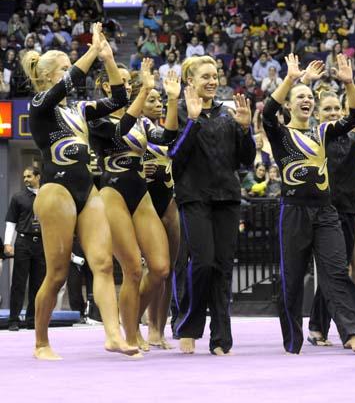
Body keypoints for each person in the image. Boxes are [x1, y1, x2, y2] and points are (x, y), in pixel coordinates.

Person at [20, 22, 136, 360]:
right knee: (56, 274)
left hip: (88, 191)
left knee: (101, 264)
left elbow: (119, 98)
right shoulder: (41, 105)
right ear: (47, 78)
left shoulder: (80, 110)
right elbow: (72, 79)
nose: (68, 74)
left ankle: (113, 335)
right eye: (62, 69)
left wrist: (109, 58)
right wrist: (91, 50)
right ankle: (41, 342)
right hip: (56, 190)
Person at [262, 53, 355, 354]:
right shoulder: (280, 134)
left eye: (309, 96)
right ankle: (293, 339)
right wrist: (291, 79)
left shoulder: (322, 132)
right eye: (300, 96)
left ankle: (352, 333)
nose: (306, 100)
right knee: (293, 278)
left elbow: (353, 118)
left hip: (326, 211)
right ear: (289, 104)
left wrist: (349, 84)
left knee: (337, 271)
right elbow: (267, 112)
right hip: (294, 211)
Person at [89, 59, 179, 353]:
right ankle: (129, 335)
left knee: (161, 267)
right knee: (132, 269)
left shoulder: (141, 122)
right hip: (112, 191)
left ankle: (128, 324)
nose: (129, 87)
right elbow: (118, 134)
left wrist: (174, 100)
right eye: (126, 83)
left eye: (130, 83)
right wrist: (144, 93)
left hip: (139, 192)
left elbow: (167, 137)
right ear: (107, 86)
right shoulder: (97, 118)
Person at [169, 55, 255, 356]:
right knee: (202, 263)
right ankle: (188, 327)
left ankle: (221, 338)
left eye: (215, 75)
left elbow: (245, 161)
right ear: (189, 81)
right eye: (204, 76)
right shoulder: (178, 112)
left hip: (227, 199)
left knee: (223, 268)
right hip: (194, 198)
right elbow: (175, 160)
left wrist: (246, 130)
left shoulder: (228, 113)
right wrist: (191, 122)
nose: (212, 80)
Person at [307, 87, 355, 346]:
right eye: (327, 109)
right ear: (318, 114)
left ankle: (317, 324)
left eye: (337, 109)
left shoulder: (353, 139)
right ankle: (332, 329)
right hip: (326, 213)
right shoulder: (315, 140)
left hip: (351, 210)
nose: (333, 113)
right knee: (336, 271)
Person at [142, 87, 181, 349]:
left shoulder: (165, 131)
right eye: (152, 100)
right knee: (145, 270)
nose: (158, 104)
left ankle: (158, 327)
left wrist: (173, 99)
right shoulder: (134, 129)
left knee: (168, 270)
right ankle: (135, 325)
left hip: (168, 201)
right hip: (141, 203)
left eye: (160, 100)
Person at [3, 167, 45, 331]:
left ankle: (31, 320)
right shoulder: (18, 197)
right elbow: (11, 222)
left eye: (29, 176)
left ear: (38, 176)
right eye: (24, 176)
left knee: (38, 284)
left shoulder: (47, 196)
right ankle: (13, 320)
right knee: (19, 283)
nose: (26, 179)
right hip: (23, 242)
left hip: (41, 243)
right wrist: (8, 243)